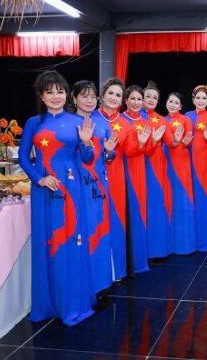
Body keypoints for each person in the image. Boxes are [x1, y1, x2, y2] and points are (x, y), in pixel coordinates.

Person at [19, 70, 96, 325]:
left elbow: (87, 159)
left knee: (70, 242)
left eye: (60, 91)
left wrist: (87, 143)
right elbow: (23, 157)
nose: (55, 96)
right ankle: (47, 304)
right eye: (49, 92)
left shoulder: (77, 122)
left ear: (67, 95)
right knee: (48, 243)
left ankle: (71, 302)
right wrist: (38, 178)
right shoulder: (33, 123)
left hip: (71, 190)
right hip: (44, 191)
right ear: (41, 96)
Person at [71, 80, 117, 294]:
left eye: (92, 97)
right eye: (84, 96)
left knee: (100, 227)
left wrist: (109, 151)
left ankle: (101, 282)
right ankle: (83, 284)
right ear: (74, 99)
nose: (89, 101)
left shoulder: (102, 123)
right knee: (82, 229)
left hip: (99, 183)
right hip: (77, 182)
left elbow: (109, 157)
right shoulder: (69, 123)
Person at [93, 78, 133, 280]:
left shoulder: (125, 123)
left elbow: (132, 151)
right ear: (102, 95)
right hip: (92, 178)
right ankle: (96, 273)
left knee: (116, 221)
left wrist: (148, 143)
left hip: (116, 177)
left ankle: (117, 271)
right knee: (96, 221)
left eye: (118, 95)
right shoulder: (90, 117)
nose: (114, 98)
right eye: (110, 93)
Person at [121, 85, 161, 274]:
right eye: (133, 99)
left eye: (139, 99)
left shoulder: (146, 121)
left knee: (138, 212)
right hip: (121, 169)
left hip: (138, 171)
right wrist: (142, 143)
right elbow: (124, 150)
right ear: (126, 100)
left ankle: (137, 260)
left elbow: (149, 153)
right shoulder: (119, 120)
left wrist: (153, 142)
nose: (136, 102)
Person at [163, 91, 197, 255]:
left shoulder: (186, 120)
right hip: (166, 161)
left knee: (182, 201)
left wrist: (185, 141)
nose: (173, 105)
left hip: (182, 161)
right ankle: (169, 244)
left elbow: (188, 139)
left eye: (176, 103)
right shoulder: (161, 120)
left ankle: (185, 244)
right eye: (171, 101)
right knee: (168, 199)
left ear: (181, 106)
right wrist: (173, 141)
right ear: (166, 103)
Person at [186, 85, 207, 251]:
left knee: (202, 197)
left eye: (204, 98)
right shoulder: (187, 116)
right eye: (198, 97)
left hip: (203, 163)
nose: (200, 101)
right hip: (186, 161)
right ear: (193, 99)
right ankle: (189, 240)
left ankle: (204, 241)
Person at [141, 81, 171, 258]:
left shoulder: (160, 119)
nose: (151, 100)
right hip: (137, 162)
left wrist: (179, 140)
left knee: (154, 203)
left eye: (155, 98)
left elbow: (171, 143)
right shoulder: (133, 118)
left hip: (156, 164)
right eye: (148, 96)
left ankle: (156, 249)